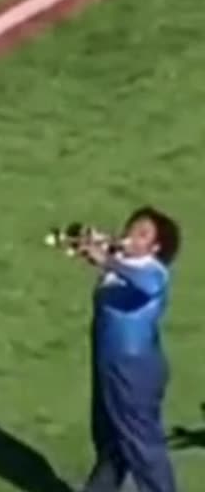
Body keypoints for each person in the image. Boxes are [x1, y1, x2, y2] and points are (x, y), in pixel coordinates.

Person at [71, 206, 181, 492]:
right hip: (108, 363)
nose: (132, 235)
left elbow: (145, 283)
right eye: (131, 227)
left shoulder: (153, 271)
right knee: (110, 439)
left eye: (142, 233)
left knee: (142, 446)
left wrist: (107, 259)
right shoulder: (120, 264)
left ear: (155, 247)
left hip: (134, 369)